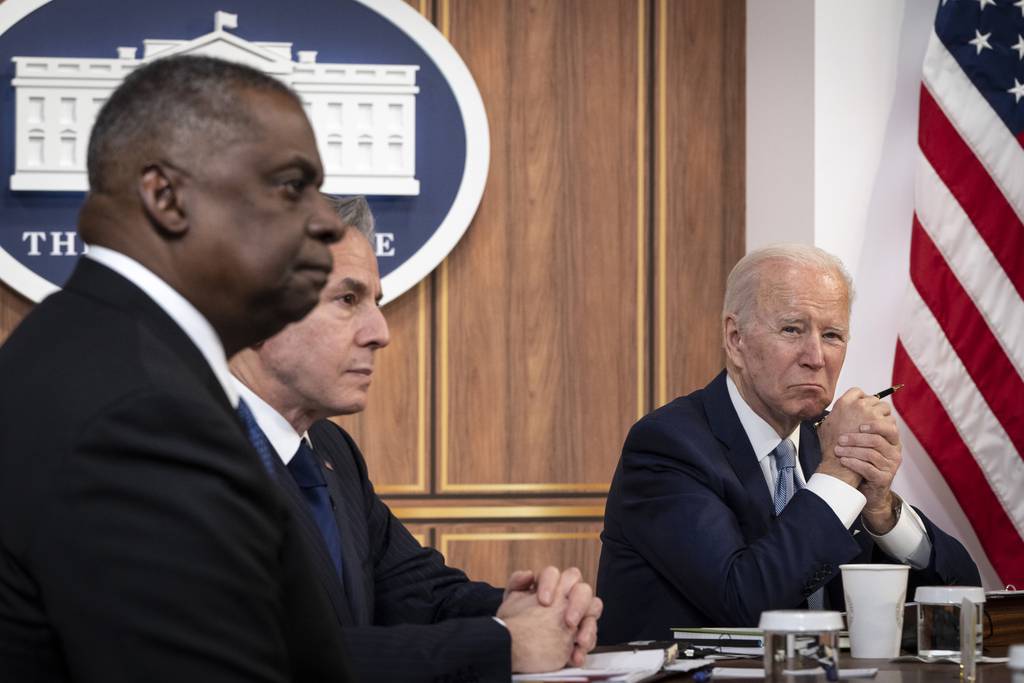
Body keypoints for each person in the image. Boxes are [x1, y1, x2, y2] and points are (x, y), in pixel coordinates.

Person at [0, 56, 354, 682]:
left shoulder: (106, 355)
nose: (326, 221)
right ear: (166, 197)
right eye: (290, 186)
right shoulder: (142, 414)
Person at [229, 196, 603, 681]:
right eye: (348, 299)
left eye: (376, 303)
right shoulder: (188, 454)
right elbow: (269, 655)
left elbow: (414, 591)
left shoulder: (331, 451)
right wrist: (502, 644)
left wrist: (531, 610)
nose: (380, 332)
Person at [596, 244, 980, 643]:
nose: (815, 357)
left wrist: (882, 511)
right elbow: (747, 603)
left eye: (832, 335)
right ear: (735, 339)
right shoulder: (668, 446)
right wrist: (836, 475)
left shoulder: (822, 443)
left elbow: (963, 592)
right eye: (792, 330)